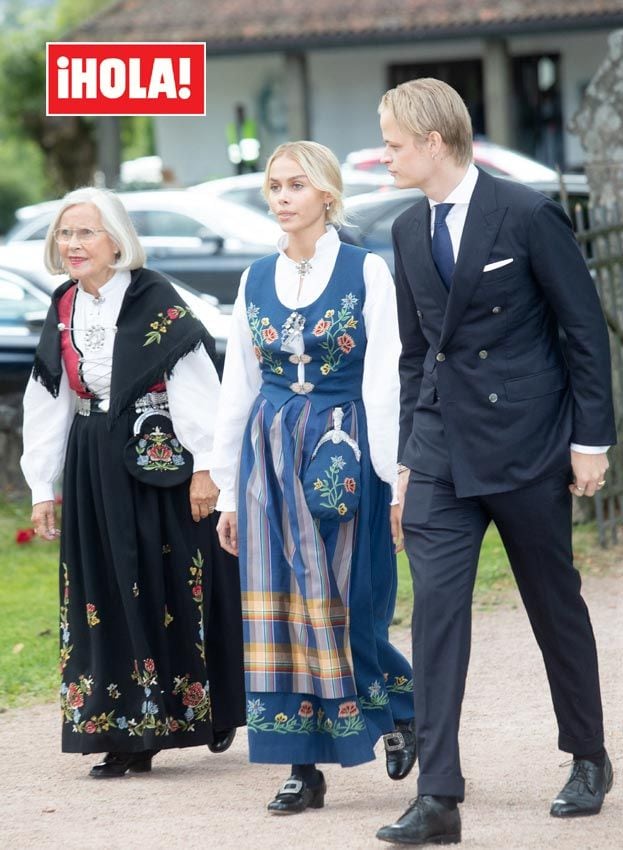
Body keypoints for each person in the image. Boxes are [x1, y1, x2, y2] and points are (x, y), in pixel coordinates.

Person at [375, 78, 617, 846]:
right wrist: (410, 460)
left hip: (527, 443)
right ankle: (437, 797)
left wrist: (590, 441)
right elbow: (418, 358)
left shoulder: (524, 211)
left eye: (392, 143)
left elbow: (582, 330)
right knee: (437, 615)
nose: (383, 156)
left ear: (434, 142)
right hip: (442, 451)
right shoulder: (407, 232)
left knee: (553, 605)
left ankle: (586, 754)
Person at [210, 141, 416, 814]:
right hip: (269, 454)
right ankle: (299, 763)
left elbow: (385, 379)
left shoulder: (366, 273)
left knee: (348, 603)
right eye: (273, 186)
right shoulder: (253, 279)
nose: (281, 197)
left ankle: (401, 709)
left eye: (296, 184)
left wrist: (393, 475)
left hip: (344, 449)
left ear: (327, 193)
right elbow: (237, 383)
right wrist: (224, 483)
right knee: (279, 608)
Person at [21, 187, 245, 777]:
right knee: (106, 592)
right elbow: (49, 397)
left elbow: (199, 384)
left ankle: (208, 708)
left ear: (117, 240)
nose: (73, 244)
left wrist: (207, 468)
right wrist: (43, 486)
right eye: (65, 234)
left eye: (86, 232)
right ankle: (126, 730)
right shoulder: (65, 303)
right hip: (94, 464)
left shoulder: (155, 297)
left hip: (161, 462)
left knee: (176, 583)